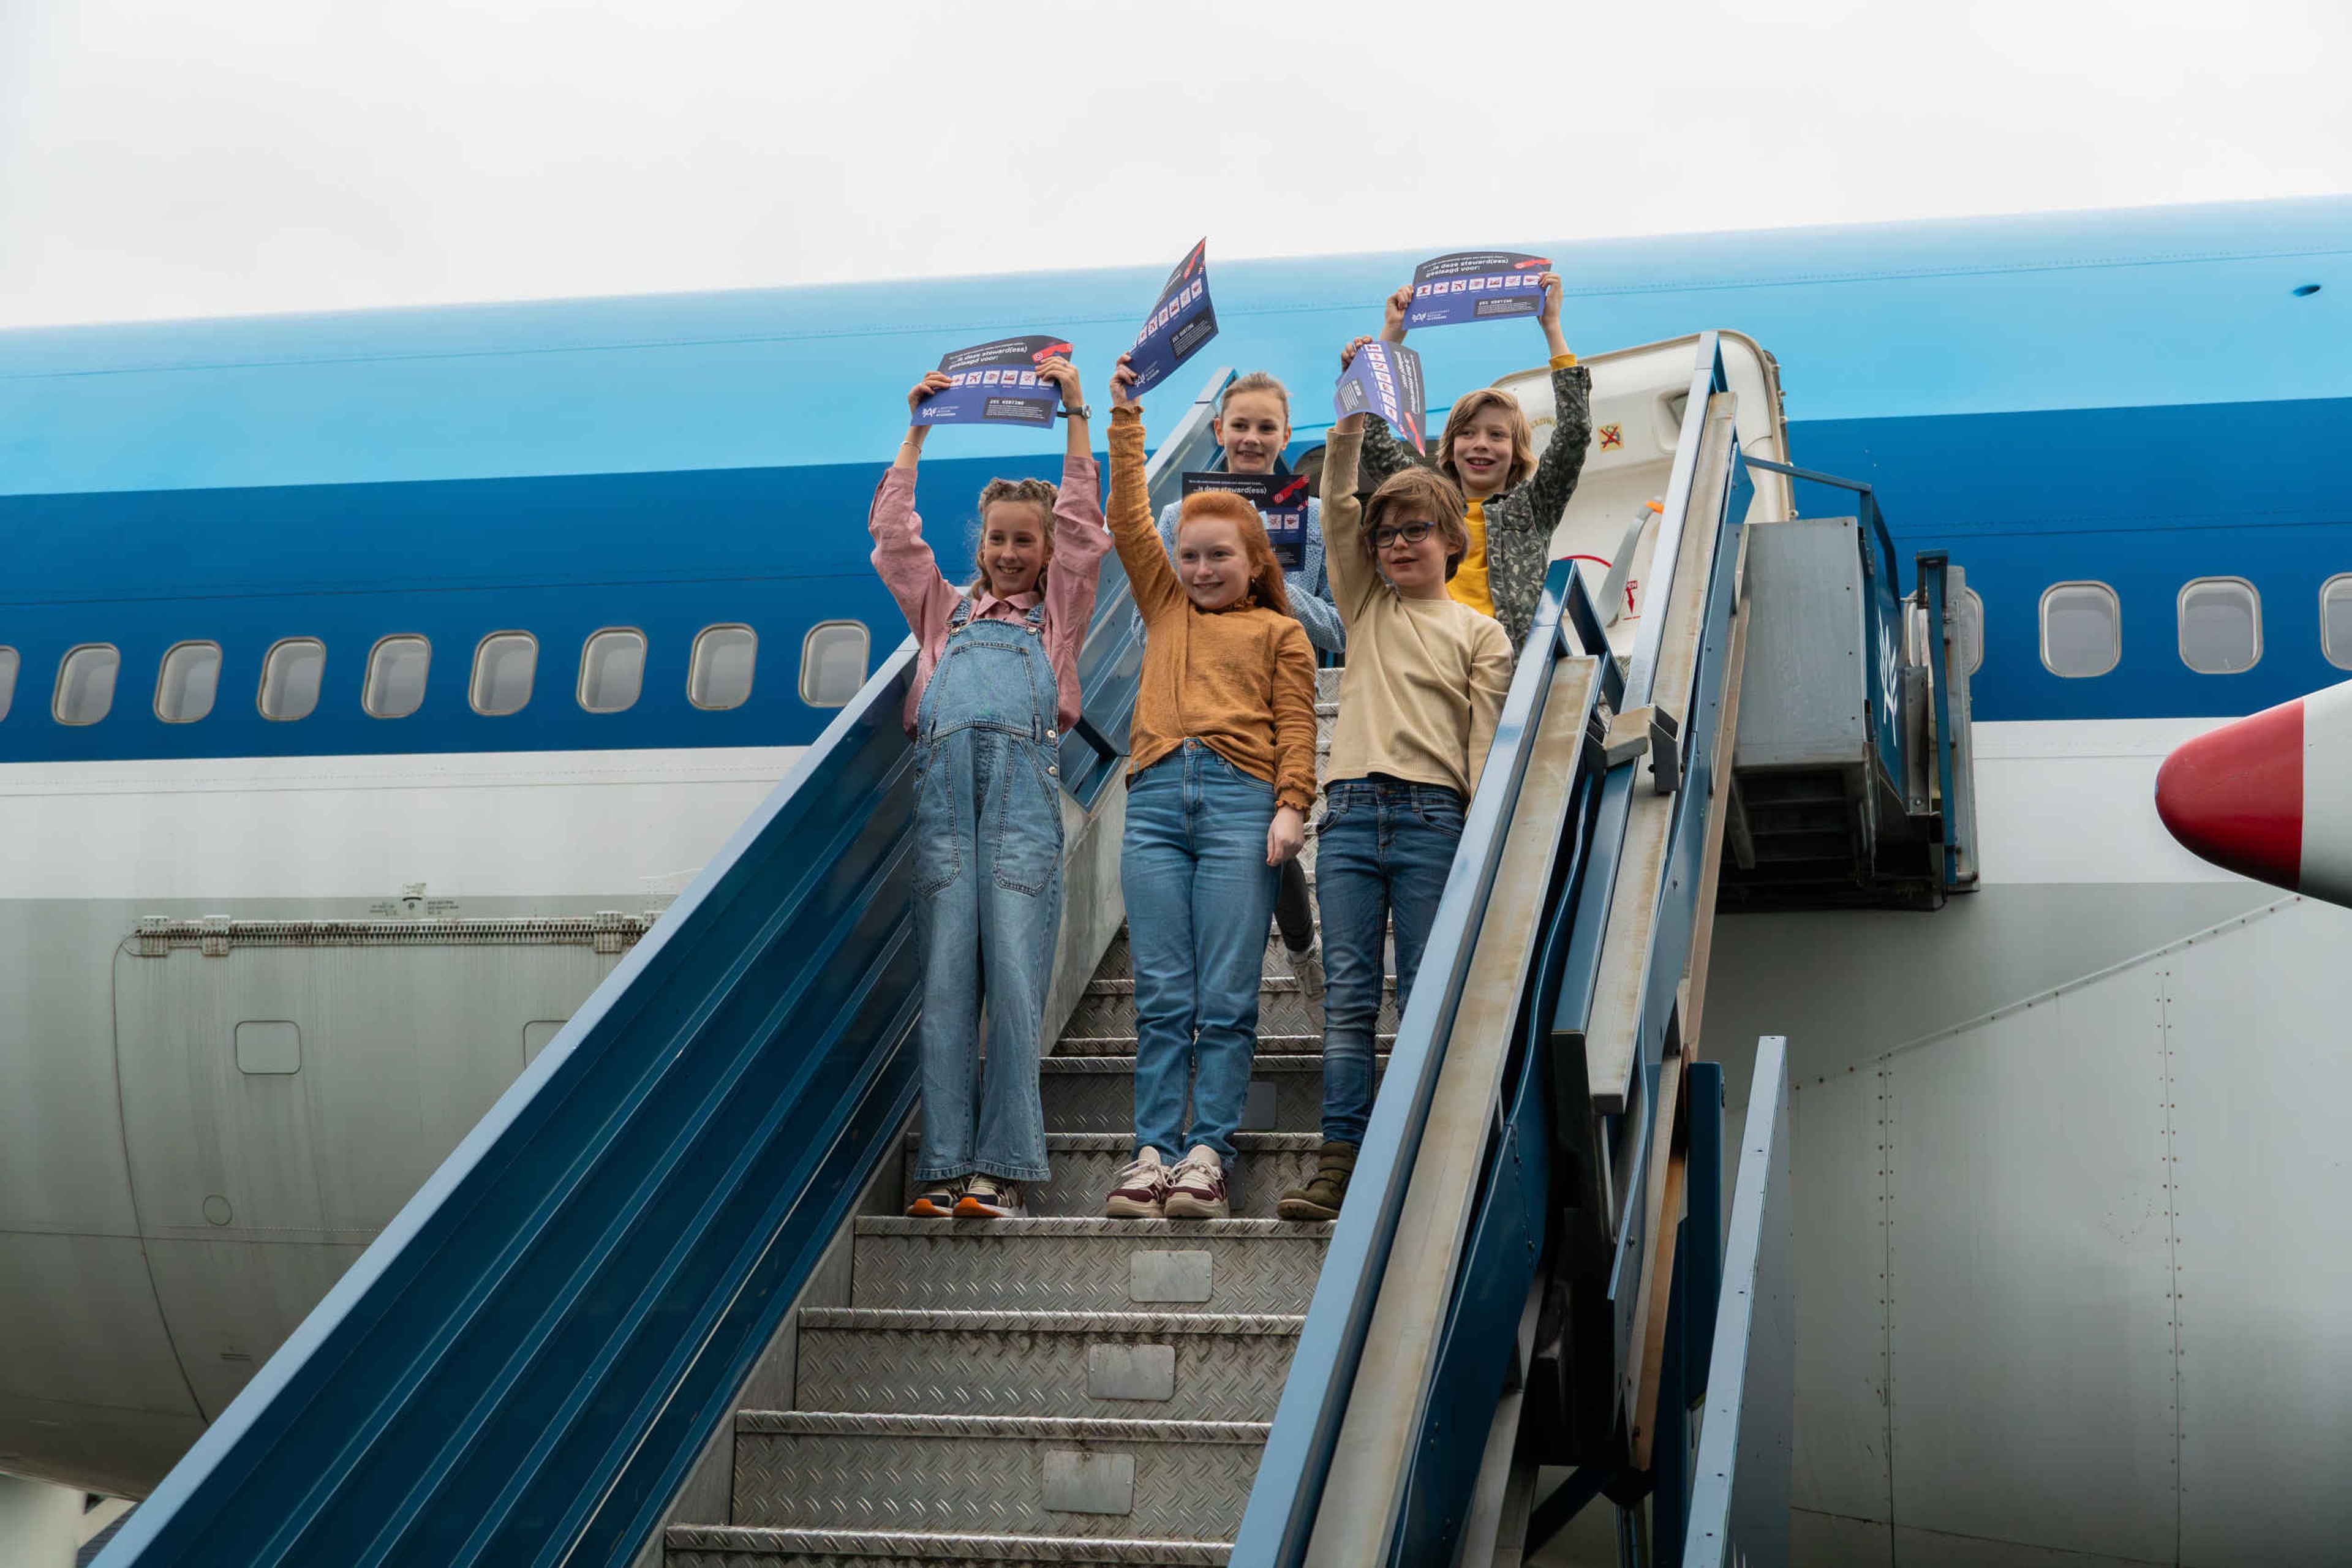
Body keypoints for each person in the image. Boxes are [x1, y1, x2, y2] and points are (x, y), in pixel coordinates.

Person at [869, 355, 1109, 1221]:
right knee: (943, 987)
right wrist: (918, 430)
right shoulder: (945, 612)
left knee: (1012, 980)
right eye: (997, 539)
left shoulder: (1059, 619)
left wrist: (1077, 410)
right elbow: (896, 539)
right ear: (981, 544)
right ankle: (943, 1169)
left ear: (1047, 554)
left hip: (1018, 814)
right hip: (942, 813)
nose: (1009, 553)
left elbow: (1087, 520)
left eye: (1025, 542)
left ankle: (999, 1171)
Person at [1276, 407, 1513, 1223]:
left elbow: (1484, 748)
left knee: (1420, 991)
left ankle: (1415, 1157)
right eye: (1387, 535)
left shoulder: (1482, 634)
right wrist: (1343, 440)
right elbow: (1338, 513)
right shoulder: (1366, 609)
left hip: (1432, 819)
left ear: (1455, 540)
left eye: (1418, 530)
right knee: (1349, 999)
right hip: (1347, 817)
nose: (1398, 544)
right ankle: (1339, 1163)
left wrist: (1485, 833)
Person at [1101, 352, 1319, 1221]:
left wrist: (1292, 805)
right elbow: (1128, 523)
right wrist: (1125, 418)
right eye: (1188, 556)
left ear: (1252, 555)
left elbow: (1298, 728)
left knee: (1225, 997)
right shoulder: (1165, 609)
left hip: (1240, 805)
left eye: (1217, 555)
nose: (1198, 568)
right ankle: (1151, 1151)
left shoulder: (1281, 632)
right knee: (1162, 993)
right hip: (1153, 802)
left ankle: (1207, 1155)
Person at [1144, 371, 1338, 1025]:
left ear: (1286, 435)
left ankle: (1304, 949)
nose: (1252, 439)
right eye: (1240, 425)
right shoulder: (1178, 517)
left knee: (1273, 847)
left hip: (1274, 694)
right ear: (1218, 430)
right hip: (1201, 703)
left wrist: (1268, 578)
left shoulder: (1310, 520)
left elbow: (1339, 628)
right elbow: (1172, 610)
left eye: (1266, 427)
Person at [1341, 271, 1593, 651]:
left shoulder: (1533, 506)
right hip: (1431, 656)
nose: (1481, 446)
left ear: (1517, 450)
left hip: (1506, 664)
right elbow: (1373, 441)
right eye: (1467, 434)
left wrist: (1552, 327)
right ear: (1450, 444)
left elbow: (1574, 432)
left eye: (1497, 435)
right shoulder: (1425, 501)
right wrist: (1392, 335)